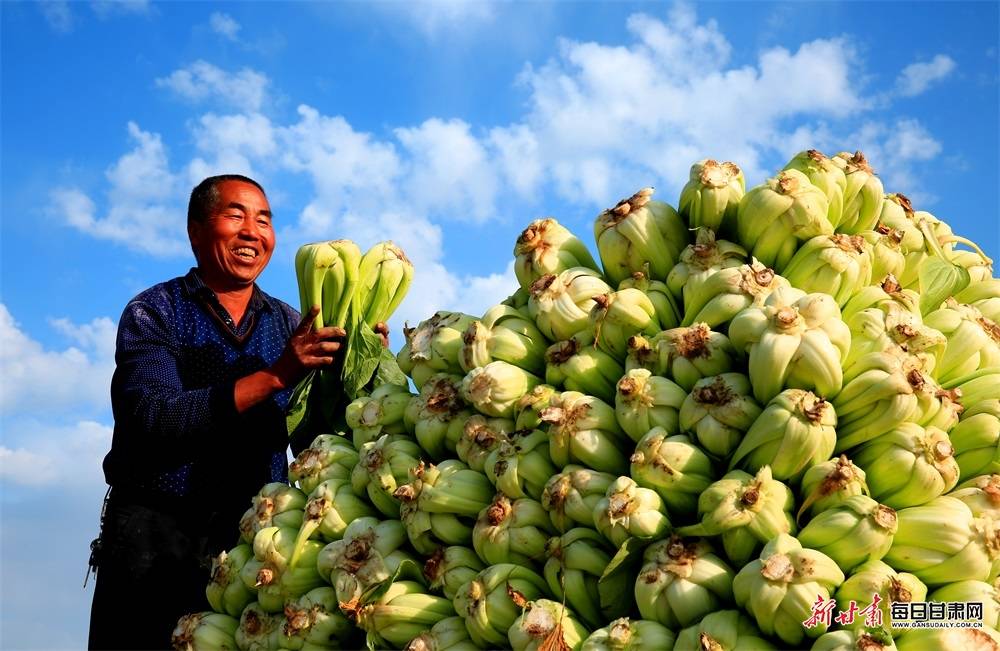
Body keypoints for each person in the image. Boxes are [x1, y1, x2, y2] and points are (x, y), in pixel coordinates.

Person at [87, 174, 369, 649]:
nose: (252, 232)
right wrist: (275, 375)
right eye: (235, 216)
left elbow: (314, 444)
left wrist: (355, 366)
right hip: (155, 539)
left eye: (263, 220)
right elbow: (152, 416)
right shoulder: (156, 311)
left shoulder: (290, 323)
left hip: (254, 542)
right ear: (195, 231)